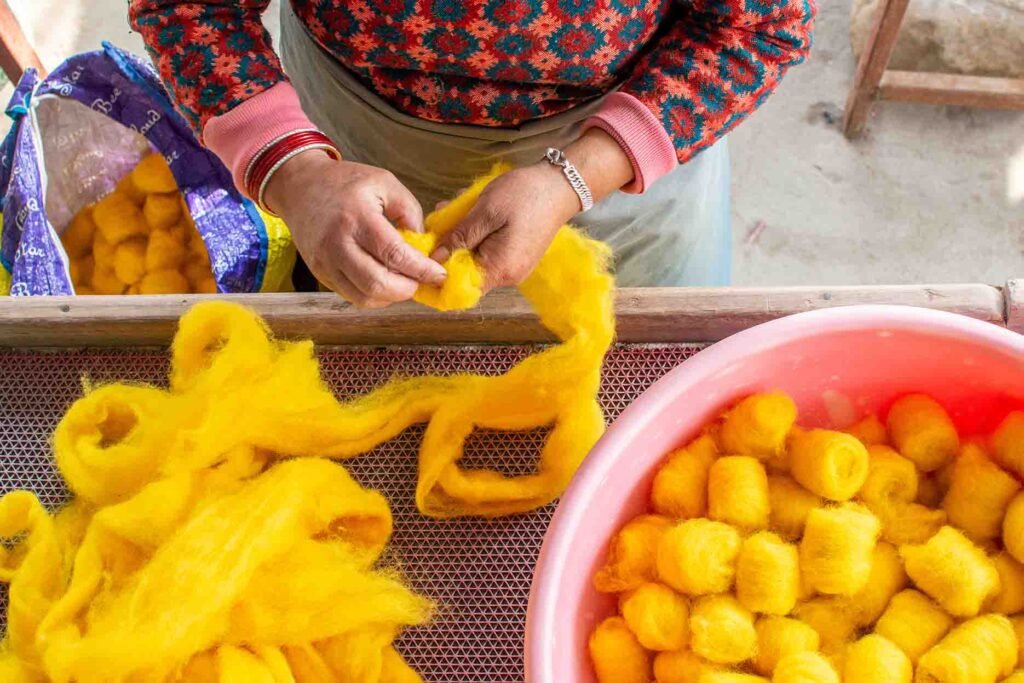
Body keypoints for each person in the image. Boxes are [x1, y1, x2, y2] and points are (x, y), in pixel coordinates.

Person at [129, 0, 815, 306]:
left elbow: (758, 25)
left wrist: (577, 175)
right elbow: (188, 8)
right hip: (354, 140)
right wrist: (300, 175)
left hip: (628, 157)